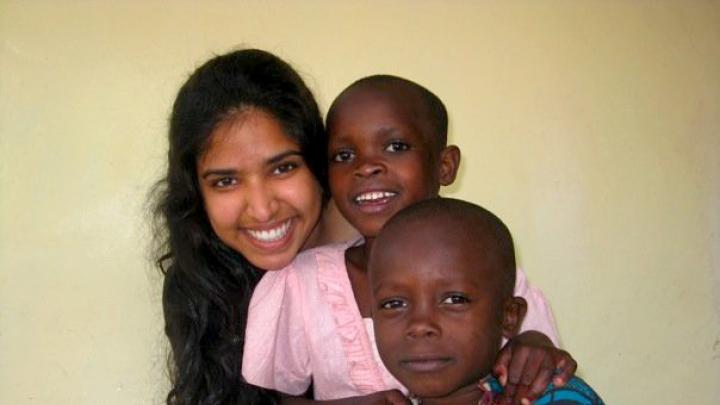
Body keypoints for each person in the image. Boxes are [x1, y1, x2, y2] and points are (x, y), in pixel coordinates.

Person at [243, 75, 576, 404]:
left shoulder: (488, 271)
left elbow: (538, 365)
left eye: (396, 147)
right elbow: (283, 399)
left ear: (445, 165)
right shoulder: (303, 283)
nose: (367, 167)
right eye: (344, 156)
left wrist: (535, 345)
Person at [152, 48, 337, 405]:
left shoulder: (387, 263)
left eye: (283, 168)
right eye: (225, 182)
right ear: (197, 194)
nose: (263, 209)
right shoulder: (200, 286)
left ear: (318, 164)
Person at [368, 198, 604, 405]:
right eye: (393, 304)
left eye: (454, 299)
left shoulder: (554, 397)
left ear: (508, 316)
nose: (419, 325)